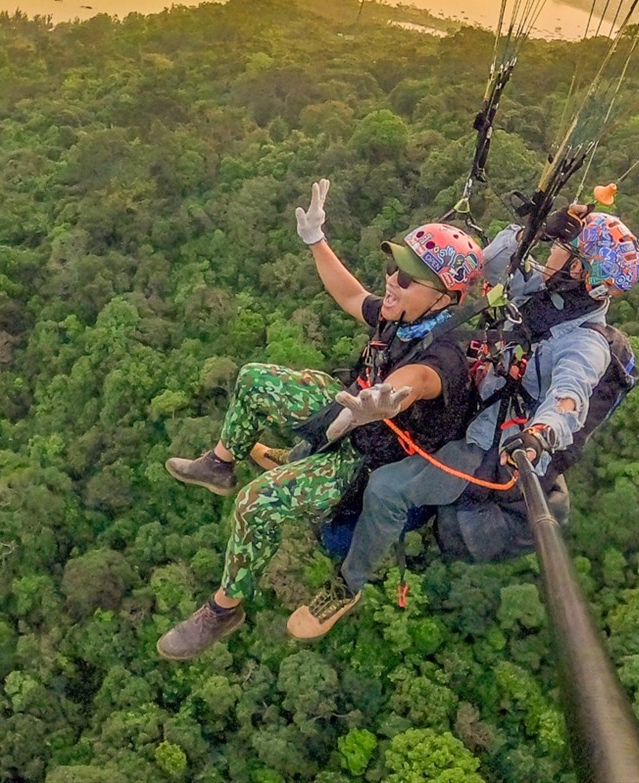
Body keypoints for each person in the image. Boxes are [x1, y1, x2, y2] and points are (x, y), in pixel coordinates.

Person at [155, 180, 483, 661]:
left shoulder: (446, 353)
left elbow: (419, 380)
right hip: (348, 409)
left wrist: (388, 401)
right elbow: (352, 296)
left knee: (256, 503)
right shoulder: (401, 315)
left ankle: (224, 608)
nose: (392, 281)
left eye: (408, 279)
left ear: (444, 298)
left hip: (366, 455)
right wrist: (316, 241)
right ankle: (219, 465)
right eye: (394, 268)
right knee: (253, 379)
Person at [286, 204, 639, 641]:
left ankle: (347, 584)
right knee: (369, 414)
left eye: (561, 250)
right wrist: (534, 227)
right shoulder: (540, 291)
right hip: (470, 396)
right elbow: (483, 265)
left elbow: (570, 395)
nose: (549, 254)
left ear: (578, 272)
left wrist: (540, 435)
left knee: (387, 488)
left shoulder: (584, 344)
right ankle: (297, 459)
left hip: (487, 442)